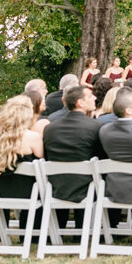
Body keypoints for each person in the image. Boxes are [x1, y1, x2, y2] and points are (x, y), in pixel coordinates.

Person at [43, 85, 105, 225]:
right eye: (90, 96)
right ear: (80, 102)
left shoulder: (49, 128)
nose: (95, 98)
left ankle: (59, 227)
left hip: (56, 186)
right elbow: (101, 158)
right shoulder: (96, 126)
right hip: (86, 186)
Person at [0, 96, 44, 200]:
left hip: (3, 190)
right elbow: (42, 163)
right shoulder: (33, 137)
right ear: (28, 113)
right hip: (31, 192)